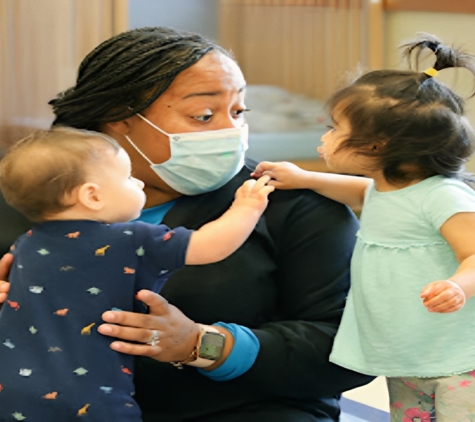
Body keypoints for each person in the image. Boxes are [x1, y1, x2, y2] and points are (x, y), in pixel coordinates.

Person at [0, 27, 372, 421]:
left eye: (238, 112)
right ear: (117, 117)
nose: (229, 131)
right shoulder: (26, 195)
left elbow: (350, 349)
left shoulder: (289, 204)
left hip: (244, 407)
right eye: (204, 115)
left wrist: (202, 344)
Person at [253, 33, 475, 421]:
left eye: (334, 128)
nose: (325, 137)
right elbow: (360, 191)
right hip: (408, 349)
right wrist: (306, 177)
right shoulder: (385, 189)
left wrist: (457, 285)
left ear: (377, 145)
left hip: (457, 354)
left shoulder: (443, 196)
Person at [0, 126, 273, 421]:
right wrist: (248, 205)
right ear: (92, 196)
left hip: (12, 394)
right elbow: (211, 245)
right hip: (94, 400)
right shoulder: (131, 238)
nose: (139, 184)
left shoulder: (24, 244)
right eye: (128, 177)